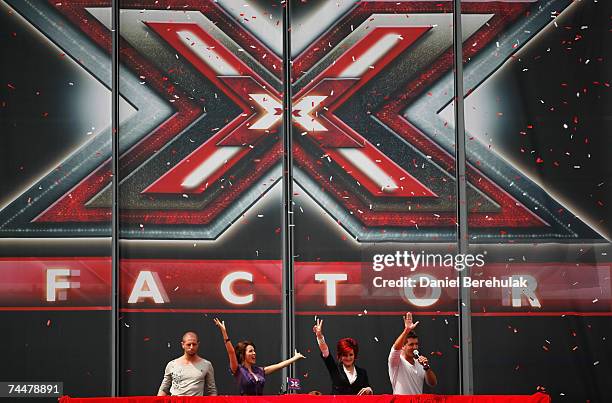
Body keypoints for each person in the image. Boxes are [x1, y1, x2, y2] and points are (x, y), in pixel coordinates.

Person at [213, 318, 305, 395]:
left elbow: (279, 365)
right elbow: (231, 352)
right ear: (242, 354)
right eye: (250, 351)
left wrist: (294, 358)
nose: (254, 353)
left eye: (254, 351)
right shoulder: (237, 370)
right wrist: (224, 332)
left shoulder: (259, 371)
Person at [313, 318, 373, 395]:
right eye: (345, 355)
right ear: (340, 356)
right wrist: (320, 337)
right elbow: (325, 351)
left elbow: (367, 390)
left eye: (351, 355)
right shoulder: (334, 369)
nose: (348, 358)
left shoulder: (362, 373)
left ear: (355, 355)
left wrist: (369, 390)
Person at [388, 312, 437, 394]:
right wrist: (406, 330)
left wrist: (427, 368)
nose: (415, 347)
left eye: (416, 344)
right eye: (411, 344)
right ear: (403, 347)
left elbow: (433, 383)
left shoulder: (420, 363)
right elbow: (396, 348)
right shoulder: (397, 362)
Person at [157, 331, 217, 396]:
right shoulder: (172, 364)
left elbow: (212, 391)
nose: (191, 347)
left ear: (198, 344)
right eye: (189, 344)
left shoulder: (206, 365)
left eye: (194, 344)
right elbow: (163, 389)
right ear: (183, 345)